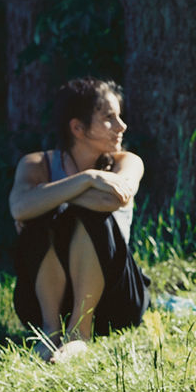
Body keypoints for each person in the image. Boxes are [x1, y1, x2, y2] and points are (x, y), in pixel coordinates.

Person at [9, 78, 149, 362]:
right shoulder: (36, 165)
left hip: (115, 302)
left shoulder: (126, 161)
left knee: (83, 214)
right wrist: (89, 179)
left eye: (118, 116)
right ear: (78, 128)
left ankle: (78, 334)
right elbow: (19, 208)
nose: (121, 126)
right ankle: (51, 331)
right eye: (109, 118)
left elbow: (114, 199)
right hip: (45, 299)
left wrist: (51, 200)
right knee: (38, 222)